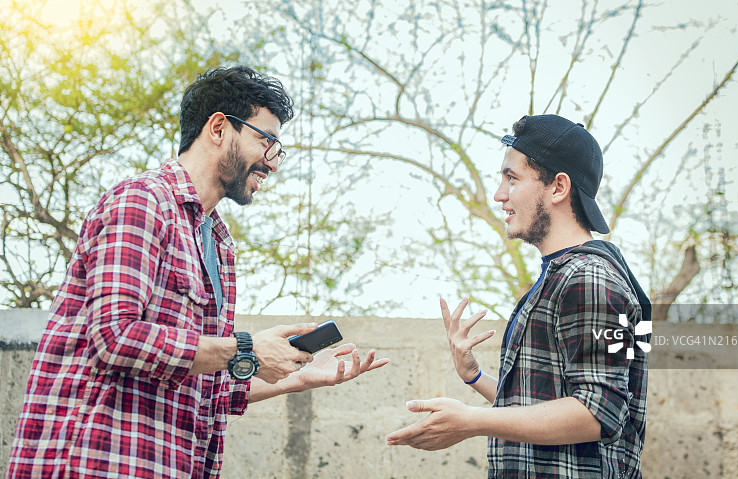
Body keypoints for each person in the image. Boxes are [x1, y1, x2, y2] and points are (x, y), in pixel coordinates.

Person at [6, 65, 388, 479]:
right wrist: (245, 349)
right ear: (219, 128)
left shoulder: (218, 244)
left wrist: (298, 377)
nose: (273, 164)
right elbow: (115, 338)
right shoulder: (142, 201)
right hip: (96, 463)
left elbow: (202, 388)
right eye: (266, 142)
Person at [387, 114, 650, 479]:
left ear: (558, 187)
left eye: (512, 178)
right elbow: (539, 406)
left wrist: (472, 421)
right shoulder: (560, 276)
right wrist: (474, 376)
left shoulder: (587, 278)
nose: (499, 195)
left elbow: (596, 413)